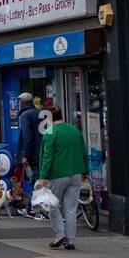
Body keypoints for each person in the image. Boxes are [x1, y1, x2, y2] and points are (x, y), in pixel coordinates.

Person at [36, 105, 89, 250]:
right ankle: (70, 240)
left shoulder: (50, 132)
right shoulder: (74, 130)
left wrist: (42, 177)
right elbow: (83, 152)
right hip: (76, 173)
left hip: (57, 174)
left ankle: (60, 234)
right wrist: (85, 172)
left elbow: (47, 156)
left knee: (52, 205)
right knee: (71, 208)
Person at [13, 92, 42, 216]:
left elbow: (27, 137)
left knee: (35, 179)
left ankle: (31, 208)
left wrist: (25, 155)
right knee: (38, 178)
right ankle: (32, 207)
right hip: (43, 150)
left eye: (20, 101)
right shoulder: (41, 113)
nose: (19, 103)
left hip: (33, 153)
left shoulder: (25, 115)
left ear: (23, 102)